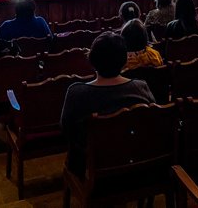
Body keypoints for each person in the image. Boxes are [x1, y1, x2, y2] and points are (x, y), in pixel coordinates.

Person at [60, 32, 156, 176]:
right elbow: (151, 123)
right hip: (136, 167)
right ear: (124, 60)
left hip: (91, 171)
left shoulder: (76, 93)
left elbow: (67, 129)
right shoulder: (141, 88)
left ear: (92, 59)